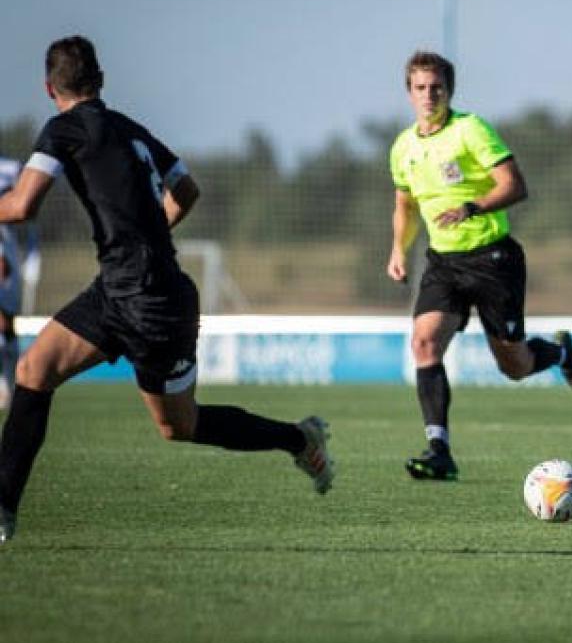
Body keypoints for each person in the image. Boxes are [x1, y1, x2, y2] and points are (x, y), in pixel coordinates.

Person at [0, 36, 333, 544]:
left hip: (153, 301)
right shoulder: (130, 128)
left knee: (178, 426)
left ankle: (297, 438)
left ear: (49, 88)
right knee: (33, 369)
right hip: (119, 289)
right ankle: (4, 508)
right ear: (101, 80)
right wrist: (148, 235)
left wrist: (141, 242)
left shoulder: (62, 129)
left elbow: (22, 206)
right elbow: (187, 189)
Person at [387, 51, 572, 482]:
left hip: (493, 259)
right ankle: (439, 450)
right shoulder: (403, 147)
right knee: (424, 342)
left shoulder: (470, 130)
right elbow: (404, 204)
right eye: (420, 88)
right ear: (409, 93)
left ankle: (560, 352)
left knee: (513, 365)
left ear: (449, 90)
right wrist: (399, 250)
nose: (428, 95)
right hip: (443, 263)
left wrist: (472, 207)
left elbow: (515, 185)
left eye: (436, 87)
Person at [0, 155, 36, 411]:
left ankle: (7, 386)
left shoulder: (12, 168)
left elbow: (27, 208)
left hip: (6, 250)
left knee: (5, 320)